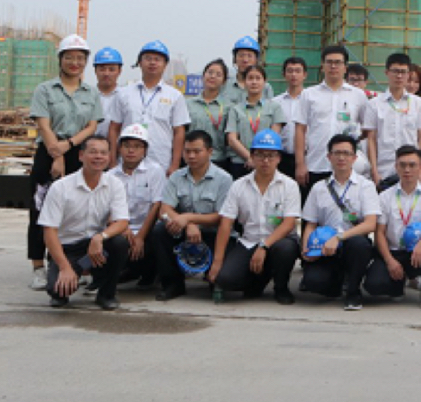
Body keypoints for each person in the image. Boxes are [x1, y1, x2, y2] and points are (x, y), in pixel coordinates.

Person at [27, 34, 103, 291]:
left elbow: (92, 126)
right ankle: (38, 267)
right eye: (69, 57)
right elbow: (43, 124)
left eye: (80, 58)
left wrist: (68, 146)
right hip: (47, 152)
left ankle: (77, 265)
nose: (74, 62)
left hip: (77, 153)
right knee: (41, 210)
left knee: (77, 211)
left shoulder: (91, 92)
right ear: (60, 59)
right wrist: (56, 155)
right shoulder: (45, 89)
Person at [38, 136, 130, 310]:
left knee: (119, 243)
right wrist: (65, 268)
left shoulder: (115, 184)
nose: (98, 157)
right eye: (93, 152)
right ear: (81, 156)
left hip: (96, 246)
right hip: (68, 248)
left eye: (103, 153)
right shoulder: (61, 187)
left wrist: (100, 237)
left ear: (109, 157)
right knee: (57, 291)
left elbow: (122, 221)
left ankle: (106, 294)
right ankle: (72, 272)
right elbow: (49, 231)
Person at [209, 130, 301, 304]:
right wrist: (217, 261)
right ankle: (259, 280)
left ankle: (281, 287)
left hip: (277, 242)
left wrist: (264, 247)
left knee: (286, 249)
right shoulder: (239, 185)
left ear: (279, 158)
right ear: (251, 157)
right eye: (260, 155)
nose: (265, 161)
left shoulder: (289, 185)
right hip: (249, 241)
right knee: (226, 279)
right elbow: (226, 224)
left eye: (271, 156)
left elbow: (289, 224)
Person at [152, 130, 233, 301]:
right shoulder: (176, 177)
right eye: (187, 151)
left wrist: (189, 218)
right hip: (184, 231)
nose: (191, 156)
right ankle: (172, 284)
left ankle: (214, 278)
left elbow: (221, 217)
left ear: (210, 152)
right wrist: (188, 223)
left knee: (224, 279)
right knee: (160, 230)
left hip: (214, 234)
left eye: (197, 151)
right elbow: (164, 210)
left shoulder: (224, 179)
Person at [300, 134, 378, 310]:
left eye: (346, 153)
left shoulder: (366, 186)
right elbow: (310, 224)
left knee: (359, 244)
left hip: (351, 244)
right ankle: (336, 282)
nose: (341, 158)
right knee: (314, 283)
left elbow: (370, 224)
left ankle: (353, 292)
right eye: (337, 153)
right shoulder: (319, 187)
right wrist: (306, 249)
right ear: (329, 157)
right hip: (325, 247)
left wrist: (339, 237)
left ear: (354, 158)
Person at [364, 146, 421, 309]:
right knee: (374, 286)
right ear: (396, 166)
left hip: (418, 250)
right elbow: (380, 233)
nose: (407, 170)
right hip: (394, 252)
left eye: (412, 165)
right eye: (403, 165)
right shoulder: (385, 196)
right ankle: (398, 284)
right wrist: (389, 261)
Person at [294, 45, 369, 200]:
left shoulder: (358, 96)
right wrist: (300, 164)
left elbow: (367, 130)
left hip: (348, 166)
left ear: (345, 67)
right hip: (316, 164)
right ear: (322, 66)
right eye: (329, 62)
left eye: (338, 62)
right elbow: (300, 130)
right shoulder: (308, 94)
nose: (333, 66)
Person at [108, 40, 190, 174]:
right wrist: (112, 161)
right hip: (126, 163)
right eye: (148, 58)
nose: (152, 63)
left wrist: (175, 165)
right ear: (139, 63)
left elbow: (179, 132)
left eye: (157, 59)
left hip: (161, 162)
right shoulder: (124, 93)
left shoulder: (175, 96)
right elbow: (114, 128)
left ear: (165, 64)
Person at [106, 124, 166, 290]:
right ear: (119, 148)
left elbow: (156, 205)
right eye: (126, 146)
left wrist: (140, 237)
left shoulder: (155, 171)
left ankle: (152, 274)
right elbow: (107, 209)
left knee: (159, 234)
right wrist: (122, 229)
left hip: (146, 228)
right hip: (121, 229)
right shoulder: (110, 175)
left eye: (137, 146)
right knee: (114, 242)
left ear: (145, 150)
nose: (131, 150)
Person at [362, 53, 421, 188]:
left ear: (408, 74)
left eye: (403, 72)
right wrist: (374, 171)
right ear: (387, 72)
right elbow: (371, 139)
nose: (399, 76)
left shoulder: (419, 104)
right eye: (395, 71)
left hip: (411, 171)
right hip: (384, 171)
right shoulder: (374, 104)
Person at [225, 65, 287, 179]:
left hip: (266, 163)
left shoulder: (274, 107)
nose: (254, 82)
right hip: (240, 162)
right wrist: (249, 157)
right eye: (250, 78)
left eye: (258, 78)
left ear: (264, 82)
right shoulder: (235, 109)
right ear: (244, 82)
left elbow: (273, 136)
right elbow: (232, 139)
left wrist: (258, 159)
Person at [186, 59, 231, 170]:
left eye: (218, 74)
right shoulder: (188, 104)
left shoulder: (229, 107)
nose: (213, 76)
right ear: (203, 76)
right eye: (210, 72)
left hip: (218, 160)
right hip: (192, 159)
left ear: (224, 81)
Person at [273, 56, 307, 176]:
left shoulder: (311, 100)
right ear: (284, 74)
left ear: (304, 75)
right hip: (282, 157)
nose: (294, 75)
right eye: (290, 71)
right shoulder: (275, 102)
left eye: (298, 71)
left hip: (307, 157)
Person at [222, 36, 274, 105]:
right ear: (234, 59)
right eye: (241, 55)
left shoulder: (265, 88)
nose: (245, 60)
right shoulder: (224, 85)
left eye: (249, 56)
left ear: (256, 60)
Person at [93, 46, 123, 143]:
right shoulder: (87, 96)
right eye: (102, 69)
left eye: (111, 69)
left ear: (119, 71)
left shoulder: (125, 97)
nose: (106, 73)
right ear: (95, 71)